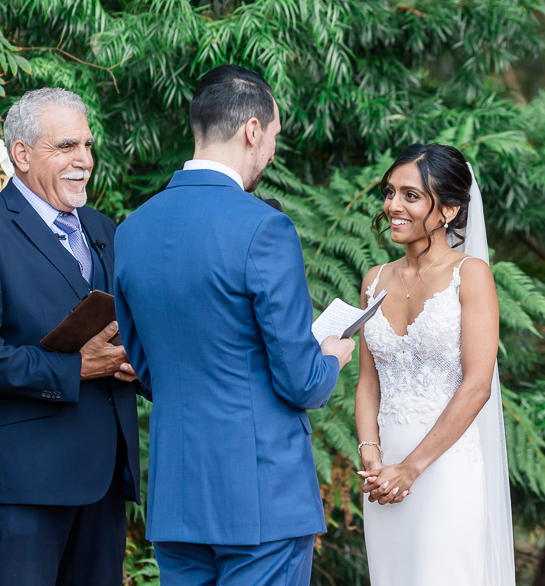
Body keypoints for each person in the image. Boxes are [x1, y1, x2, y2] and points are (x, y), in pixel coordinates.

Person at [113, 64, 355, 586]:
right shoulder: (264, 228)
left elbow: (146, 370)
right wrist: (332, 355)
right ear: (252, 130)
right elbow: (300, 380)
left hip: (178, 499)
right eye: (273, 137)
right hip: (261, 494)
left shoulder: (132, 231)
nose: (271, 152)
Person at [0, 88, 141, 586]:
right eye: (67, 147)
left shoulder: (104, 229)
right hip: (24, 478)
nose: (84, 161)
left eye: (88, 146)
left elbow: (126, 324)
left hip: (105, 476)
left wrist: (140, 362)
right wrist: (75, 368)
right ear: (22, 155)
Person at [355, 143, 516, 585]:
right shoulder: (374, 280)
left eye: (411, 195)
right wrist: (372, 457)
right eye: (390, 192)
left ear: (447, 209)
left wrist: (412, 467)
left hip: (443, 468)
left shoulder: (472, 275)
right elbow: (369, 383)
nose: (393, 206)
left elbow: (477, 385)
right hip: (384, 476)